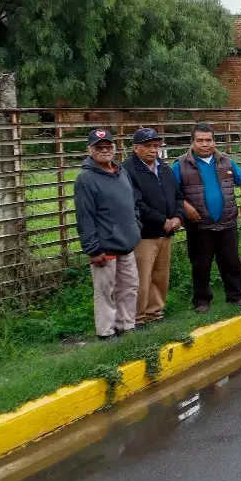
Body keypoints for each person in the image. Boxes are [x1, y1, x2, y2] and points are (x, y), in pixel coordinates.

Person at [173, 123, 241, 313]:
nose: (205, 144)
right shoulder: (181, 164)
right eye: (200, 140)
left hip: (227, 222)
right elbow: (173, 192)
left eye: (208, 140)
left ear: (214, 141)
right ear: (192, 142)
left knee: (231, 261)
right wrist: (186, 206)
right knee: (201, 264)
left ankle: (235, 296)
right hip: (199, 225)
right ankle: (202, 301)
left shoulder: (225, 161)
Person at [75, 129, 141, 340]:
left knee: (129, 286)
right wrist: (93, 248)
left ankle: (126, 325)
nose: (104, 150)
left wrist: (136, 225)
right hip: (105, 247)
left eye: (107, 146)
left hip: (127, 242)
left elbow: (132, 202)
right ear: (89, 150)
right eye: (98, 147)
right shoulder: (86, 179)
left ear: (114, 148)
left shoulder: (121, 172)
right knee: (105, 291)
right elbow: (85, 216)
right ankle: (105, 332)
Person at [123, 128, 184, 327]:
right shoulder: (128, 170)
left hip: (166, 232)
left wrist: (177, 216)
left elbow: (177, 195)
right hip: (144, 235)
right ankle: (138, 318)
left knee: (160, 276)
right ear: (135, 148)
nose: (152, 150)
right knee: (142, 278)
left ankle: (155, 313)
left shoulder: (164, 168)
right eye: (147, 146)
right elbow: (136, 203)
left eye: (155, 146)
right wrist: (161, 220)